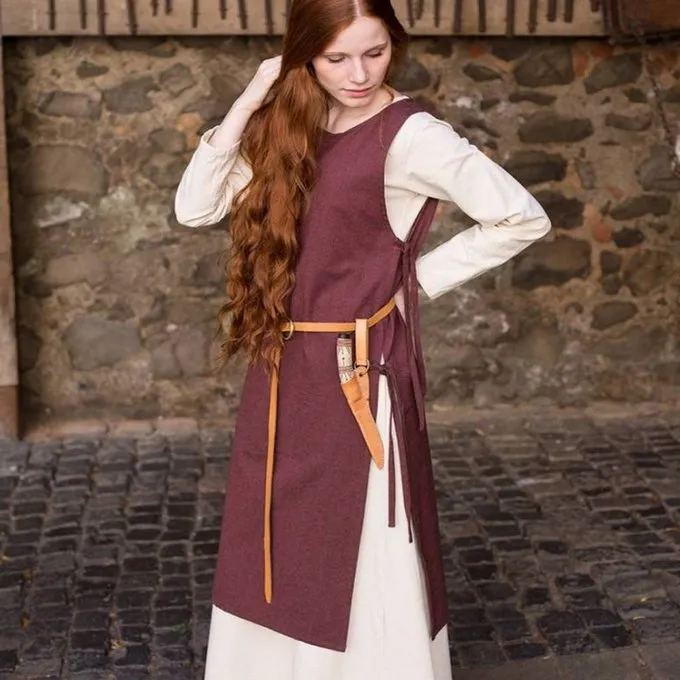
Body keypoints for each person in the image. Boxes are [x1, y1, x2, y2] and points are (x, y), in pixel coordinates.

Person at [175, 0, 551, 676]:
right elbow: (195, 207)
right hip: (281, 365)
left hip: (357, 370)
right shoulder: (292, 121)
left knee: (353, 540)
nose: (358, 74)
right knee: (274, 531)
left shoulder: (412, 136)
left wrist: (409, 288)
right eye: (336, 58)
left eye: (374, 53)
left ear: (393, 46)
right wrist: (252, 98)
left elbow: (521, 216)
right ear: (304, 57)